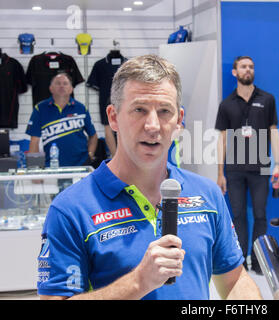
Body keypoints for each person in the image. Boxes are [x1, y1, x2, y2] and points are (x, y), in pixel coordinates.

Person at [37, 55, 261, 300]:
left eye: (164, 111)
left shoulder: (207, 194)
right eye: (139, 110)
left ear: (179, 120)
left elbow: (235, 279)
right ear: (113, 117)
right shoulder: (70, 209)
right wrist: (137, 283)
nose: (153, 125)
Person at [215, 56, 279, 274]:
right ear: (235, 72)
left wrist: (277, 165)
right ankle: (240, 261)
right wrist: (220, 172)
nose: (248, 70)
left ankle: (260, 259)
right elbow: (222, 139)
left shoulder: (267, 99)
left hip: (261, 165)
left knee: (261, 215)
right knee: (238, 216)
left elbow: (274, 131)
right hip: (234, 168)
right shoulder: (226, 104)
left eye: (251, 67)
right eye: (243, 67)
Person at [26, 72, 98, 167]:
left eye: (65, 83)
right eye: (57, 83)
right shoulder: (40, 109)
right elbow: (34, 141)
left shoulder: (81, 108)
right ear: (50, 88)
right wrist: (34, 169)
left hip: (80, 166)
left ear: (71, 89)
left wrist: (90, 155)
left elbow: (93, 136)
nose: (61, 86)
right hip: (52, 167)